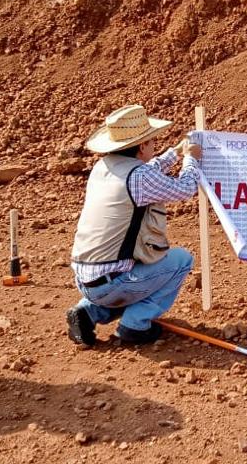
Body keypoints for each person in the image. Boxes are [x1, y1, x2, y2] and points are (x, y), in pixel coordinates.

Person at [67, 105, 202, 346]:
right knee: (181, 260)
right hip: (112, 282)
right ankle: (135, 326)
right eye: (151, 141)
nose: (153, 144)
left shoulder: (103, 166)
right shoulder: (139, 177)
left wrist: (175, 153)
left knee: (133, 279)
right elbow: (186, 188)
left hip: (86, 279)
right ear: (141, 147)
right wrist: (192, 159)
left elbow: (147, 173)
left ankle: (88, 312)